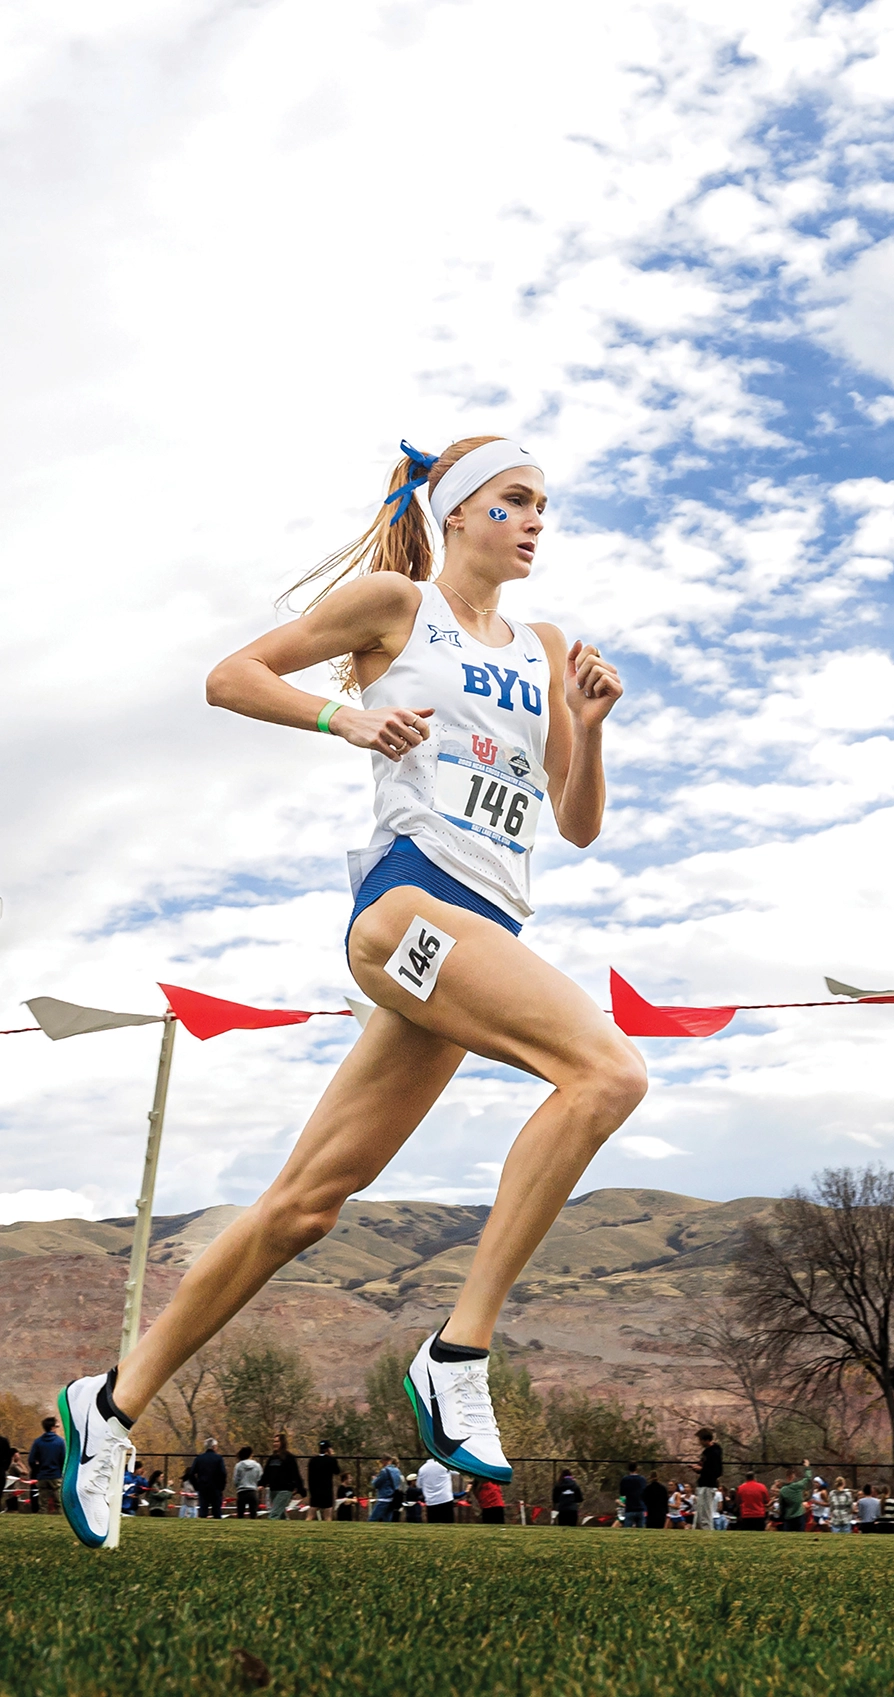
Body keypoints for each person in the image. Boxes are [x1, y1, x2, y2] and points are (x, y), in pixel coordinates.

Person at [58, 435, 644, 1552]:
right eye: (515, 501)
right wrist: (350, 718)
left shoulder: (551, 646)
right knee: (607, 1068)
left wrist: (594, 727)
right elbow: (232, 676)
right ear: (461, 513)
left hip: (486, 934)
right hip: (408, 911)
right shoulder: (394, 603)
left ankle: (111, 1403)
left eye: (544, 506)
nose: (535, 521)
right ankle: (458, 1352)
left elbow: (575, 820)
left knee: (303, 1206)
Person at [263, 1435, 305, 1520]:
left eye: (277, 1441)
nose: (275, 1444)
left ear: (282, 1443)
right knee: (281, 1514)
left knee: (274, 1514)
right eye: (274, 1441)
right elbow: (266, 1473)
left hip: (285, 1490)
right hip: (273, 1489)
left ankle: (269, 1528)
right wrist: (261, 1484)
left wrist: (300, 1489)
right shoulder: (272, 1458)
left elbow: (295, 1474)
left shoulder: (289, 1458)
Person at [27, 1418, 64, 1515]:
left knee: (43, 1503)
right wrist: (61, 1471)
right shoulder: (60, 1442)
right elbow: (63, 1459)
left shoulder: (38, 1442)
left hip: (42, 1475)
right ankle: (59, 1517)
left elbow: (31, 1459)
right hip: (56, 1475)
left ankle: (42, 1518)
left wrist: (37, 1470)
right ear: (52, 1427)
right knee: (58, 1502)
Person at [185, 1438, 226, 1519]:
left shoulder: (199, 1458)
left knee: (203, 1511)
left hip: (203, 1487)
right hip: (216, 1488)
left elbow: (191, 1474)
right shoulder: (218, 1458)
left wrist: (197, 1486)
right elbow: (223, 1473)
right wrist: (221, 1486)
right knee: (217, 1511)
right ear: (214, 1447)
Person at [691, 1427, 723, 1532]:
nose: (699, 1442)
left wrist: (702, 1469)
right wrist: (698, 1469)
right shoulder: (706, 1452)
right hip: (702, 1484)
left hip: (708, 1486)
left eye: (700, 1439)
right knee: (699, 1513)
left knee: (706, 1513)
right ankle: (697, 1530)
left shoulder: (714, 1452)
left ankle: (707, 1532)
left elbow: (717, 1471)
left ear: (705, 1440)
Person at [776, 1462, 813, 1532]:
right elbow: (808, 1478)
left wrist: (782, 1515)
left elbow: (782, 1505)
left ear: (786, 1477)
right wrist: (807, 1467)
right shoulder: (798, 1486)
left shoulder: (783, 1490)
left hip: (788, 1516)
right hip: (799, 1515)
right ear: (793, 1476)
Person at [307, 1439, 338, 1522]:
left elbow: (309, 1476)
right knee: (327, 1516)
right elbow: (337, 1471)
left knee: (311, 1515)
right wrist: (332, 1456)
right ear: (328, 1449)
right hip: (326, 1489)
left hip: (315, 1490)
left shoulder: (313, 1460)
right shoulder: (331, 1460)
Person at [369, 1456, 402, 1523]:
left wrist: (374, 1479)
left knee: (373, 1518)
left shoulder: (385, 1471)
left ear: (385, 1461)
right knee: (387, 1519)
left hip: (384, 1497)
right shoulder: (397, 1471)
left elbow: (376, 1484)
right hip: (392, 1497)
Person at [232, 1446, 262, 1519]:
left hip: (241, 1492)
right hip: (252, 1491)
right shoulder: (257, 1465)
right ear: (250, 1454)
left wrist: (238, 1486)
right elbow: (260, 1478)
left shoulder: (238, 1465)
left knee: (240, 1514)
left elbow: (235, 1479)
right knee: (253, 1514)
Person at [618, 1462, 648, 1529]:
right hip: (640, 1507)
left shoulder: (625, 1479)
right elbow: (644, 1492)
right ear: (637, 1469)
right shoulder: (642, 1479)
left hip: (629, 1508)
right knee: (641, 1529)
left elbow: (622, 1493)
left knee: (627, 1528)